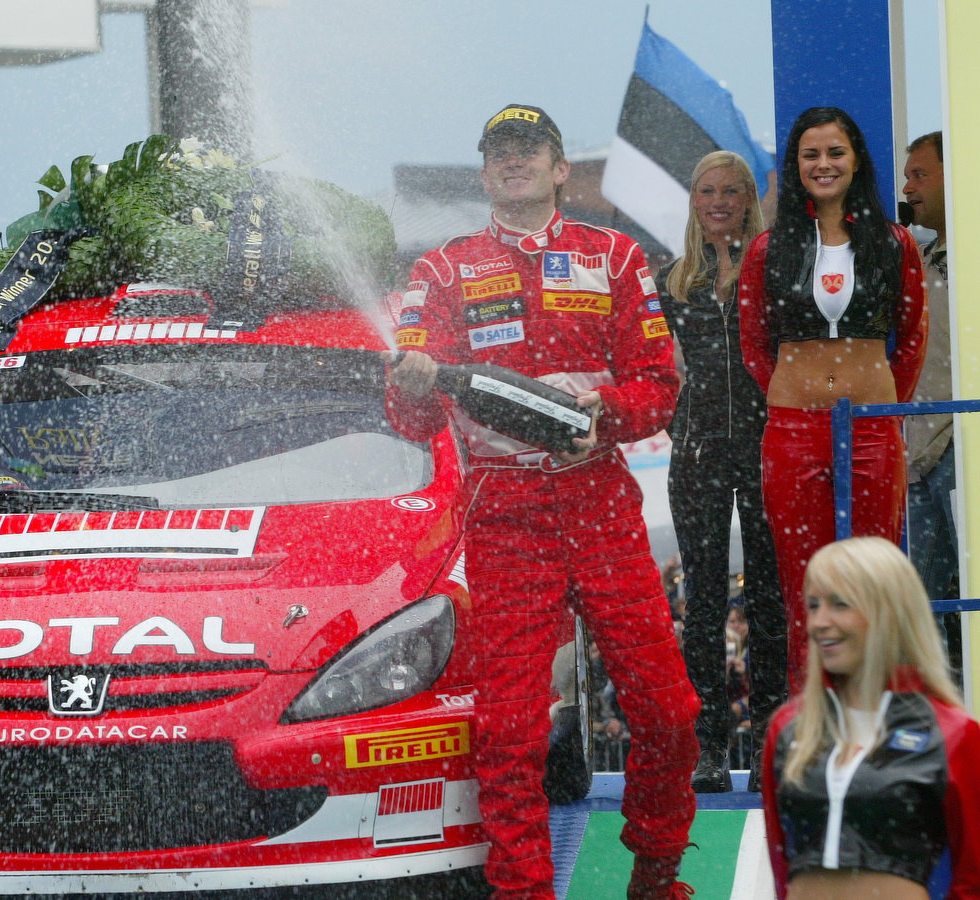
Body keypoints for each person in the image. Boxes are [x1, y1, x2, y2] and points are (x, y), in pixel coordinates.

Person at [390, 103, 698, 899]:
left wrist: (606, 418)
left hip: (599, 499)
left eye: (530, 149)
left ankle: (658, 873)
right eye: (499, 151)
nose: (514, 160)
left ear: (562, 169)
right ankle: (523, 889)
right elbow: (414, 418)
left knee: (667, 709)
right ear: (485, 171)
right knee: (506, 729)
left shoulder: (616, 256)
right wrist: (411, 384)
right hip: (505, 511)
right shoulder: (442, 271)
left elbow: (660, 387)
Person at [738, 107, 927, 702]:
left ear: (856, 161)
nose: (824, 165)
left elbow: (913, 338)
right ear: (795, 167)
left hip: (871, 430)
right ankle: (813, 723)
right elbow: (753, 344)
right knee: (806, 584)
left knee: (873, 579)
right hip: (793, 431)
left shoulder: (895, 243)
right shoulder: (768, 248)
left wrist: (876, 402)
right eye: (810, 155)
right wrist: (794, 394)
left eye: (835, 153)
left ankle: (879, 716)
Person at [659, 150, 786, 793]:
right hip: (700, 456)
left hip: (766, 451)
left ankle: (769, 744)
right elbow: (651, 373)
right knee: (704, 605)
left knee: (770, 600)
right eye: (706, 190)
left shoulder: (774, 268)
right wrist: (676, 426)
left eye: (730, 191)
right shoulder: (670, 280)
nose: (718, 202)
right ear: (692, 199)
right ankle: (707, 750)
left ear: (747, 199)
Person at [761, 536, 979, 898]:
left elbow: (974, 876)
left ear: (889, 612)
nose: (819, 622)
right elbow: (781, 865)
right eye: (813, 605)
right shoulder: (789, 728)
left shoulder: (953, 733)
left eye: (840, 604)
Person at [900, 132, 957, 606]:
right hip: (919, 452)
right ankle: (929, 683)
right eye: (906, 177)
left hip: (964, 444)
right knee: (919, 606)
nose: (908, 189)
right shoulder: (915, 260)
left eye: (920, 175)